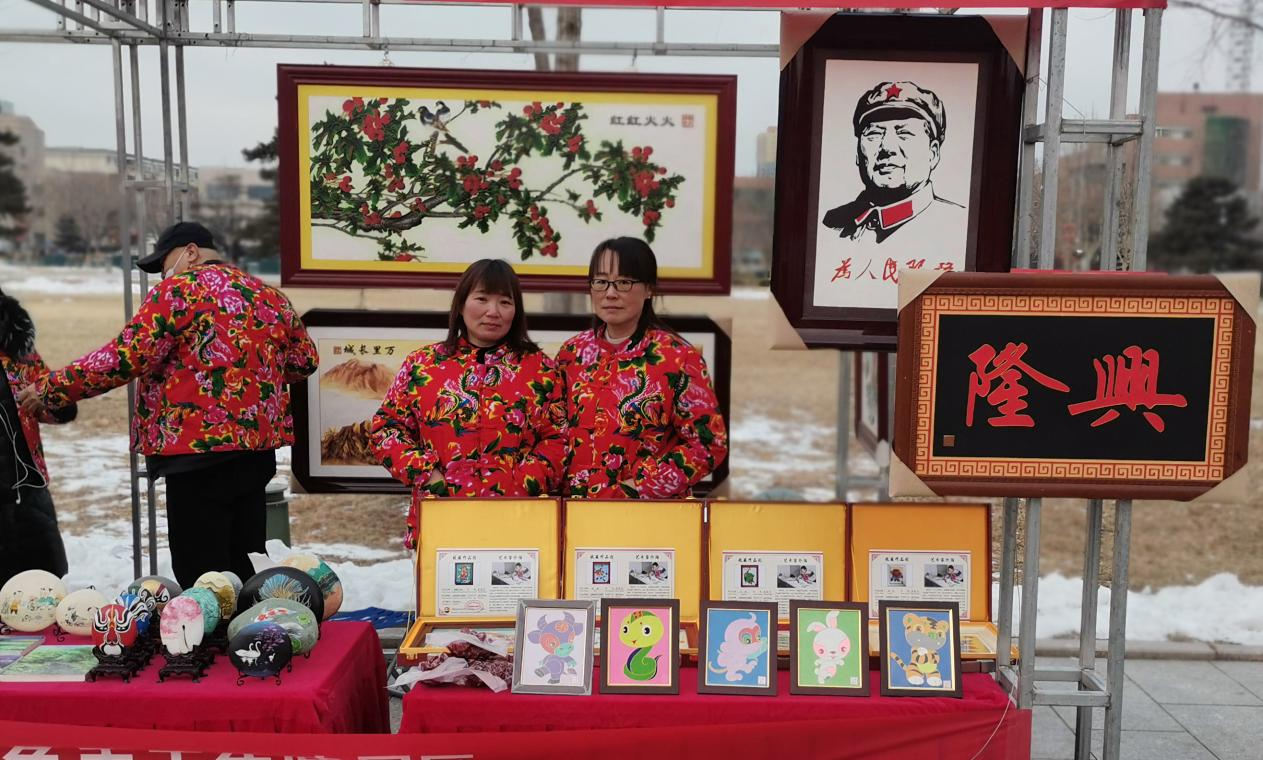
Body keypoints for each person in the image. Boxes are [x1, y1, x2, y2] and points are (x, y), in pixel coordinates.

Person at [19, 221, 318, 588]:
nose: (163, 273)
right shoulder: (269, 297)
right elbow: (304, 361)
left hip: (195, 455)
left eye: (164, 263)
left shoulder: (178, 292)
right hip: (256, 454)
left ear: (191, 251)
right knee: (246, 567)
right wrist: (256, 375)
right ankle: (250, 625)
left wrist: (53, 387)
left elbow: (125, 357)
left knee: (203, 578)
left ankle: (210, 627)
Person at [369, 259, 567, 549]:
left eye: (505, 302)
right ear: (461, 304)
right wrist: (429, 475)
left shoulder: (540, 370)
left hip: (518, 521)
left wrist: (521, 482)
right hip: (441, 516)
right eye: (482, 299)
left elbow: (559, 438)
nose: (493, 311)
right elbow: (386, 429)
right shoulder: (423, 365)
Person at [556, 237, 727, 498]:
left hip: (644, 511)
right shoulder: (572, 353)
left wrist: (638, 488)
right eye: (601, 281)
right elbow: (552, 431)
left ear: (648, 290)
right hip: (572, 508)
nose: (610, 293)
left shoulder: (677, 357)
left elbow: (708, 443)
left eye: (624, 282)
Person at [821, 80, 965, 243]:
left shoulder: (957, 226)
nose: (887, 147)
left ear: (933, 153)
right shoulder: (830, 225)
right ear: (858, 153)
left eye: (905, 133)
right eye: (874, 134)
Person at [0, 289, 77, 585]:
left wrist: (55, 400)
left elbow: (48, 402)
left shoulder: (16, 348)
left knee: (40, 581)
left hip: (25, 484)